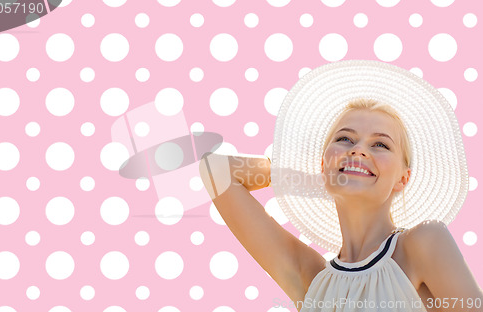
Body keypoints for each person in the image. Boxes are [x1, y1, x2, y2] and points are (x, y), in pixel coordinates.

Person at [199, 60, 483, 311]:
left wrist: (345, 170)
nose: (358, 150)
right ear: (322, 163)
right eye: (345, 139)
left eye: (380, 144)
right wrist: (323, 174)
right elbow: (215, 170)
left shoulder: (424, 243)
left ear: (403, 178)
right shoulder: (311, 280)